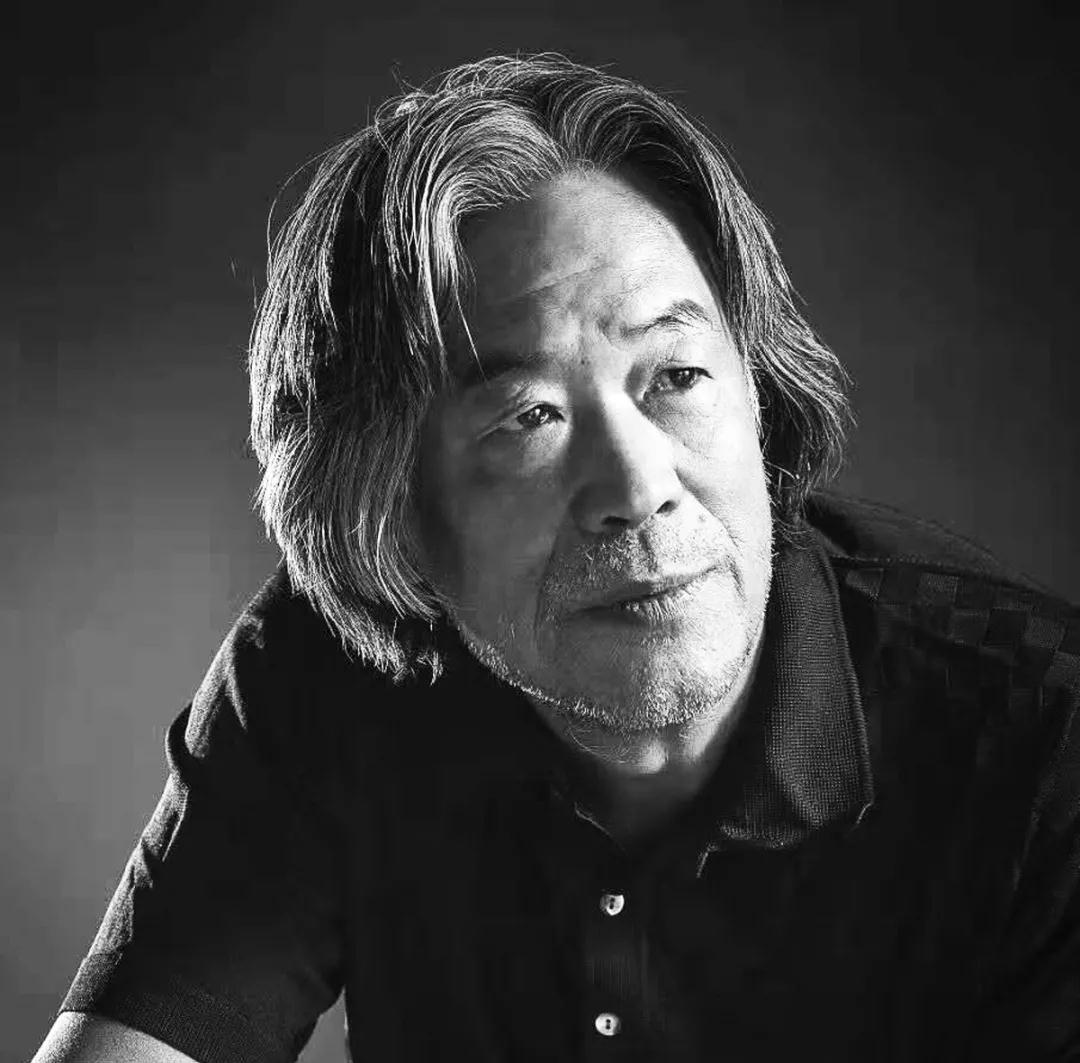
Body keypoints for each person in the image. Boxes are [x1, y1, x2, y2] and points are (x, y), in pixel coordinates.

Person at [34, 54, 1079, 1063]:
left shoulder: (1043, 732)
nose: (638, 485)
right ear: (394, 515)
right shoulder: (326, 669)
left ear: (759, 388)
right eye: (528, 416)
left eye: (677, 375)